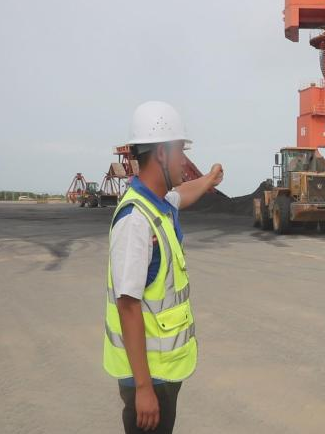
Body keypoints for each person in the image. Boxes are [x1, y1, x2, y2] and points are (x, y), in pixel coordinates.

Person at [103, 101, 224, 433]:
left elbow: (182, 194)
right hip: (148, 378)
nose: (183, 161)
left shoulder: (159, 203)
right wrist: (143, 388)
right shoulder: (135, 220)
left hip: (161, 372)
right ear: (161, 153)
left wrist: (209, 178)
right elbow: (127, 305)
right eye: (179, 151)